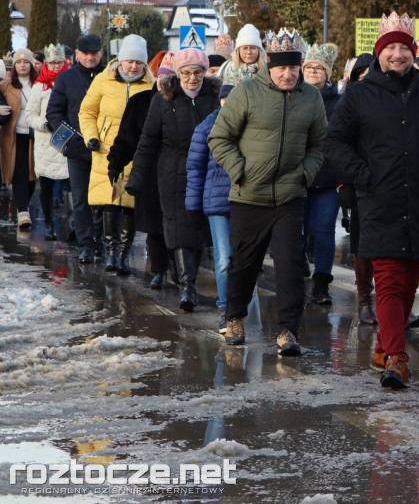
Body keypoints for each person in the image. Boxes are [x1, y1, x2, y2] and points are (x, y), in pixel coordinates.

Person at [325, 12, 419, 389]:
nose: (398, 55)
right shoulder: (358, 95)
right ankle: (397, 359)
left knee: (408, 281)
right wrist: (362, 175)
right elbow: (334, 143)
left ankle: (385, 345)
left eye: (405, 47)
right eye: (391, 48)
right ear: (379, 53)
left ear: (413, 53)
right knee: (386, 279)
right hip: (378, 201)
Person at [209, 28, 327, 357]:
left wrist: (305, 174)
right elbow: (219, 138)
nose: (288, 74)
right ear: (269, 66)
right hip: (249, 194)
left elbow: (319, 144)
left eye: (294, 68)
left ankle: (288, 330)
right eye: (281, 68)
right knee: (244, 263)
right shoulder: (246, 93)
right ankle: (234, 318)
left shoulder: (311, 97)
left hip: (290, 195)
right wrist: (240, 172)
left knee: (290, 263)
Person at [126, 48, 220, 312]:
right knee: (179, 227)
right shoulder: (163, 99)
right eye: (187, 73)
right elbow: (147, 141)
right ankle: (187, 288)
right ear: (178, 74)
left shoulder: (213, 98)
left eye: (198, 73)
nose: (192, 78)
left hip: (207, 170)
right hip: (172, 170)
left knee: (199, 227)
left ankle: (186, 277)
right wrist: (136, 178)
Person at [79, 35, 155, 274]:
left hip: (137, 150)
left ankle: (124, 253)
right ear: (120, 60)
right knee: (109, 201)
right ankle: (111, 252)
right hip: (106, 149)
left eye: (138, 62)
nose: (133, 66)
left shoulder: (151, 85)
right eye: (129, 61)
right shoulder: (103, 80)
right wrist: (91, 136)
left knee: (130, 202)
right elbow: (87, 111)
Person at [108, 51, 175, 288]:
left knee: (179, 222)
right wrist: (115, 162)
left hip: (179, 172)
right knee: (156, 225)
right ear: (157, 77)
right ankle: (159, 270)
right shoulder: (141, 101)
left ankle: (179, 271)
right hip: (149, 171)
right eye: (164, 77)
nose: (167, 83)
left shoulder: (185, 102)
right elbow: (126, 136)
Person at [186, 74, 240, 334]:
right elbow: (195, 169)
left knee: (244, 258)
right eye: (226, 98)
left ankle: (240, 307)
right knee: (222, 259)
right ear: (220, 100)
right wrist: (194, 205)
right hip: (217, 203)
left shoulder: (252, 127)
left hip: (247, 200)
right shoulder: (206, 128)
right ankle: (224, 309)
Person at [47, 34, 105, 263]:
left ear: (101, 53)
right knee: (80, 198)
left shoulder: (110, 75)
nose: (90, 57)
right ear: (77, 55)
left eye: (94, 53)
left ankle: (102, 241)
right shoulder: (66, 79)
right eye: (85, 53)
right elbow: (54, 112)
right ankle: (86, 244)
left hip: (105, 148)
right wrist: (68, 140)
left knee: (104, 199)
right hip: (78, 149)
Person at [300, 42, 341, 305]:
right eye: (309, 67)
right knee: (296, 231)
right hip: (297, 177)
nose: (314, 71)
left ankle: (321, 283)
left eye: (319, 68)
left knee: (324, 231)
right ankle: (293, 274)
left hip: (327, 178)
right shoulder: (293, 95)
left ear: (328, 73)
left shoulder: (339, 102)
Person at [342, 52, 380, 324]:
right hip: (361, 182)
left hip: (391, 180)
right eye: (361, 75)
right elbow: (339, 145)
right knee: (364, 243)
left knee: (396, 245)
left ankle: (397, 301)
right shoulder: (350, 102)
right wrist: (345, 182)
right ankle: (364, 300)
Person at [25, 44, 70, 240]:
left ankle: (73, 224)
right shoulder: (40, 86)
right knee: (47, 185)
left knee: (72, 184)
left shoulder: (71, 81)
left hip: (68, 138)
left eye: (60, 62)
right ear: (46, 64)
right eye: (52, 63)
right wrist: (43, 125)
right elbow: (30, 114)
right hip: (46, 141)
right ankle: (49, 223)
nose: (56, 66)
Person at [0, 48, 39, 230]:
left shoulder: (40, 83)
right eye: (18, 62)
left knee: (33, 174)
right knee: (19, 172)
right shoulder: (6, 85)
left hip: (36, 135)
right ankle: (23, 211)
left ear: (32, 64)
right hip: (14, 135)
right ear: (14, 66)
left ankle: (24, 206)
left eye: (26, 62)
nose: (22, 65)